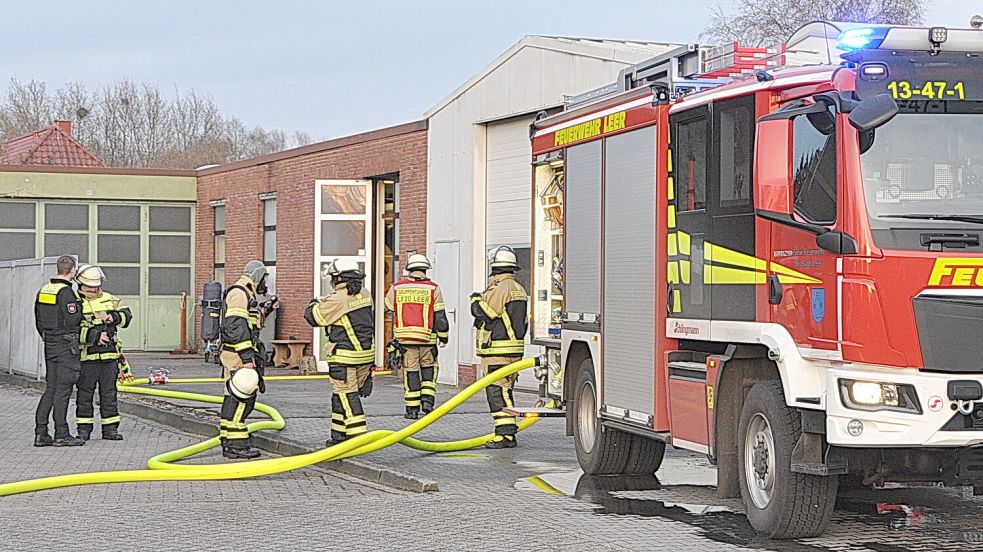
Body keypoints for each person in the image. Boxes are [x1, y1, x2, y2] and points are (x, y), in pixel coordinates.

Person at [305, 259, 375, 446]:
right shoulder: (365, 294)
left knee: (346, 394)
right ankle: (338, 435)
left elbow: (313, 318)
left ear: (338, 278)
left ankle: (358, 438)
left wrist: (313, 304)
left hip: (344, 357)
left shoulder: (338, 299)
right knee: (339, 396)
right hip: (365, 355)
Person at [471, 246, 528, 449]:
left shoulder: (501, 288)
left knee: (497, 391)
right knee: (505, 390)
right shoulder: (519, 288)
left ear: (496, 270)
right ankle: (506, 432)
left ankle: (505, 435)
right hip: (512, 349)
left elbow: (486, 312)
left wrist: (475, 300)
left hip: (498, 350)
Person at [384, 254, 449, 419]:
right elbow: (440, 316)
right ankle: (427, 403)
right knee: (429, 370)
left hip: (406, 340)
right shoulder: (433, 288)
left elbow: (388, 307)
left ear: (409, 269)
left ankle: (412, 410)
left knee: (411, 372)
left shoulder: (397, 288)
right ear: (425, 270)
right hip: (427, 340)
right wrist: (444, 336)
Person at [218, 260, 271, 459]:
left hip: (237, 354)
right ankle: (237, 445)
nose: (265, 283)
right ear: (257, 276)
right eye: (264, 278)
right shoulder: (240, 293)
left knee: (232, 395)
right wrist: (247, 357)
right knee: (242, 398)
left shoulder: (246, 293)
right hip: (238, 356)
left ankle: (228, 440)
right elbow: (236, 326)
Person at [75, 264, 133, 441]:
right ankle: (84, 430)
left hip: (110, 357)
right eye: (88, 286)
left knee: (109, 394)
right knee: (85, 395)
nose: (92, 289)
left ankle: (110, 430)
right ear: (80, 284)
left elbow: (127, 316)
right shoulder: (75, 302)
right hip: (87, 357)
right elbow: (72, 329)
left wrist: (114, 316)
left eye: (95, 286)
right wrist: (94, 336)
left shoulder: (110, 299)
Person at [34, 255, 85, 447]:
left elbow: (38, 319)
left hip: (50, 343)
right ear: (73, 270)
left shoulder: (44, 290)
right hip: (65, 346)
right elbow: (72, 320)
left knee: (51, 388)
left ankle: (41, 433)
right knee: (63, 389)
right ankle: (61, 434)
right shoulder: (67, 293)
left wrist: (48, 336)